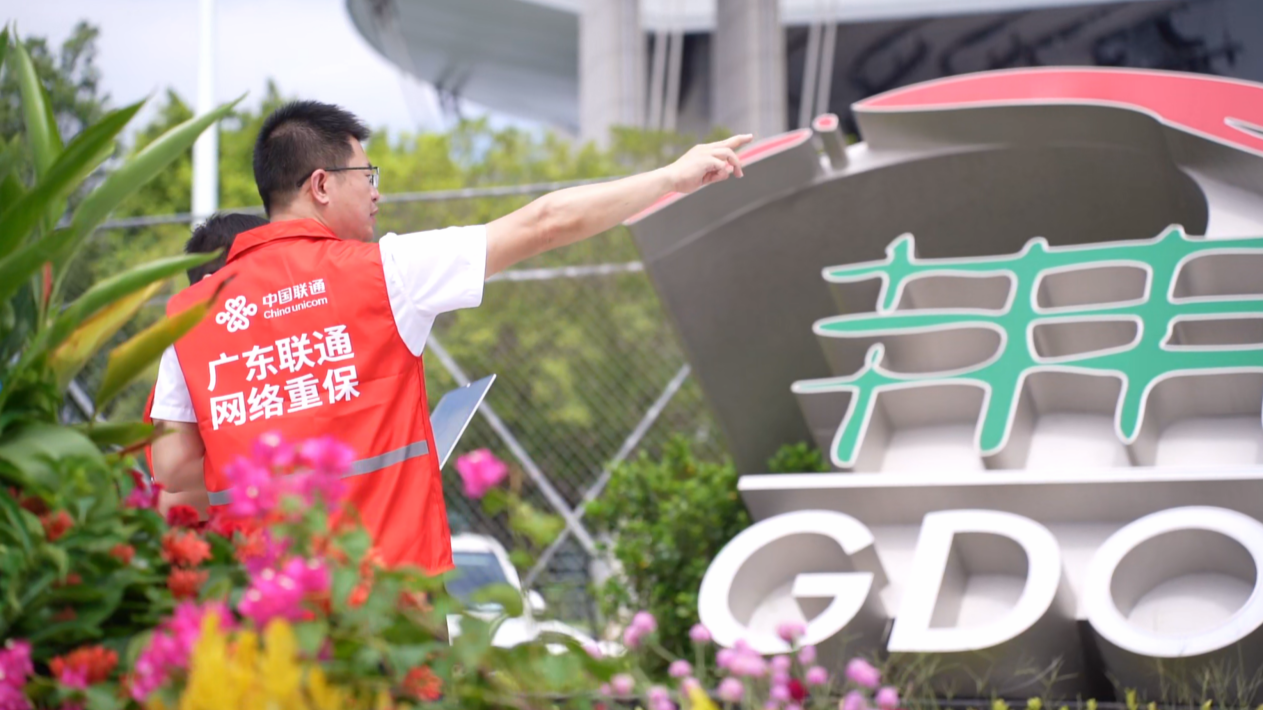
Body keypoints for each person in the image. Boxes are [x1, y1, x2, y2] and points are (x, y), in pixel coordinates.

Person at [150, 100, 751, 573]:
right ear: (322, 185)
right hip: (387, 607)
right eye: (366, 174)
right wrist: (670, 177)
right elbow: (545, 223)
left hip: (262, 607)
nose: (377, 191)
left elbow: (173, 469)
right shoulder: (387, 272)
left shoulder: (188, 315)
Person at [143, 212, 268, 517]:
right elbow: (172, 497)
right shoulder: (183, 364)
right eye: (264, 269)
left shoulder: (282, 349)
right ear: (209, 285)